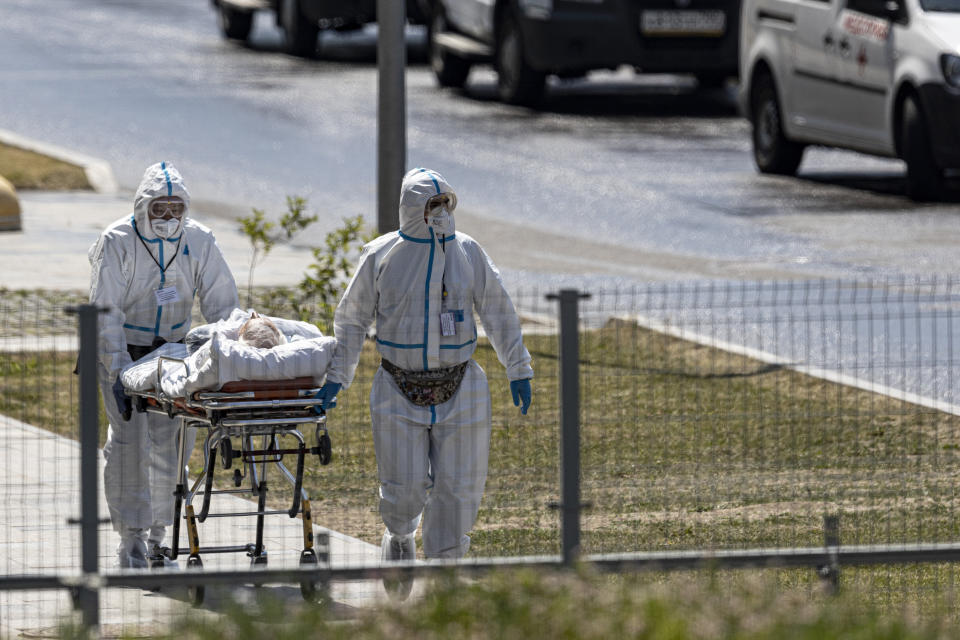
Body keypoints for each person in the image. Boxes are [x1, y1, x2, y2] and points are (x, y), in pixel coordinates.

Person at [318, 167, 533, 597]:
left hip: (462, 387)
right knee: (404, 486)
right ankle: (399, 539)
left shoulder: (468, 253)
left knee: (459, 486)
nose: (439, 212)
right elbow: (352, 318)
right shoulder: (381, 255)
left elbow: (498, 310)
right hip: (398, 386)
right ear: (411, 209)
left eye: (444, 204)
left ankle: (445, 570)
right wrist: (337, 376)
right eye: (431, 205)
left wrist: (519, 367)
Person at [88, 161, 238, 568]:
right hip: (125, 353)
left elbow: (223, 305)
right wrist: (119, 371)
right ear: (143, 207)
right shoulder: (117, 240)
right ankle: (131, 541)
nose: (168, 218)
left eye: (176, 209)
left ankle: (159, 537)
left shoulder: (200, 241)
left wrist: (223, 353)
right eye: (159, 209)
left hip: (174, 357)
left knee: (173, 450)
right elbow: (104, 313)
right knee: (129, 448)